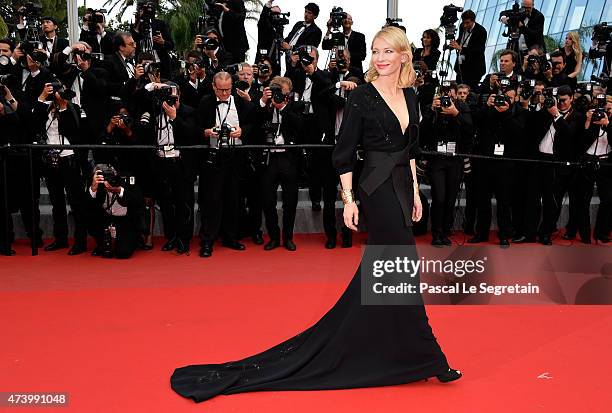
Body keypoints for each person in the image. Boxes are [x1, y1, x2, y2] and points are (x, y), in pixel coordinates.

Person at [171, 26, 461, 403]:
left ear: (404, 55)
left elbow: (409, 150)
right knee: (402, 268)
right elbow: (343, 152)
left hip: (403, 189)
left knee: (388, 273)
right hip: (374, 188)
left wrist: (416, 194)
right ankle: (427, 355)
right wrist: (349, 199)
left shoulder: (411, 95)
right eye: (375, 51)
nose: (379, 57)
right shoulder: (363, 98)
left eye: (388, 51)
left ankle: (392, 348)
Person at [450, 10, 487, 91]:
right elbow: (461, 40)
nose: (465, 25)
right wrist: (453, 44)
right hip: (461, 65)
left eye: (468, 23)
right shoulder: (461, 27)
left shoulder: (481, 31)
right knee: (459, 89)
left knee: (469, 91)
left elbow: (479, 50)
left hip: (474, 68)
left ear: (473, 21)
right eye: (464, 23)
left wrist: (461, 49)